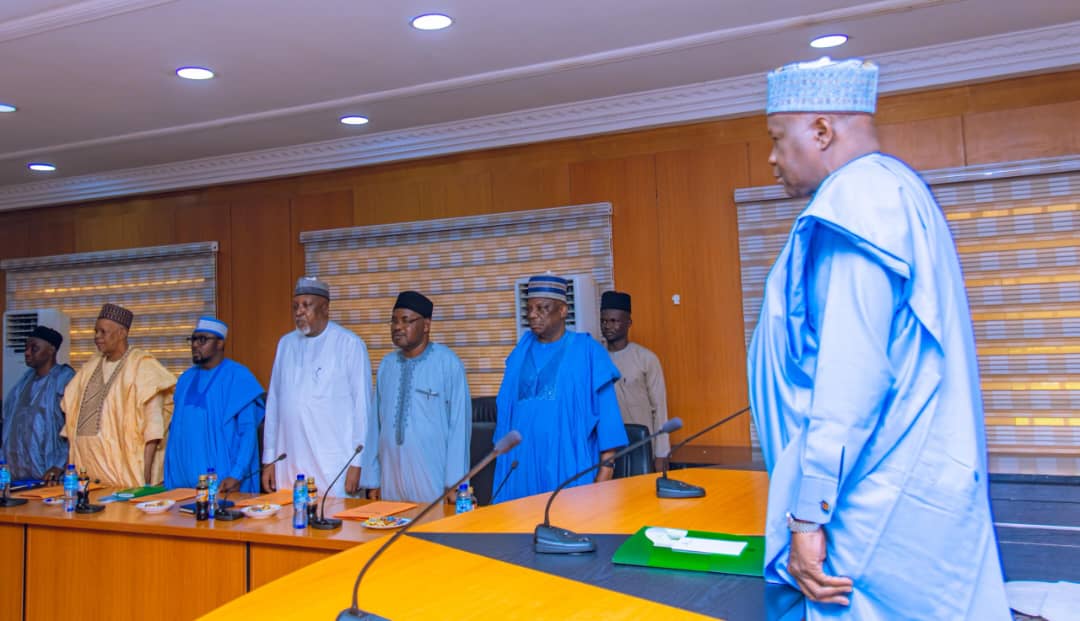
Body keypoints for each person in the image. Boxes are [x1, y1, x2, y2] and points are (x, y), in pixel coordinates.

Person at [747, 57, 1009, 619]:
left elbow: (852, 376)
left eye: (776, 138)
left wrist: (809, 515)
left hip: (866, 502)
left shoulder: (856, 205)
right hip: (909, 490)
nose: (771, 157)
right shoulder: (900, 189)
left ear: (821, 130)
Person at [491, 273, 627, 503]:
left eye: (542, 308)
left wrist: (604, 475)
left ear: (563, 310)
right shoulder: (519, 353)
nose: (532, 314)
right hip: (520, 469)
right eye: (529, 308)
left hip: (567, 466)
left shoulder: (588, 352)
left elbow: (608, 420)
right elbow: (506, 414)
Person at [261, 277, 373, 497]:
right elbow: (274, 404)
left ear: (325, 308)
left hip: (333, 465)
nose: (299, 312)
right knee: (289, 515)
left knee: (333, 517)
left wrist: (359, 463)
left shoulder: (349, 344)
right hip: (290, 461)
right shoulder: (285, 344)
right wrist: (269, 459)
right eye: (295, 306)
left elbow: (363, 409)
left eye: (306, 305)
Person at [361, 291, 471, 503]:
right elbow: (375, 426)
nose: (397, 327)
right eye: (394, 321)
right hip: (391, 477)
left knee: (431, 523)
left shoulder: (447, 364)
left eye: (406, 320)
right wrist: (372, 479)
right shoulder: (387, 366)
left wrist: (455, 483)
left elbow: (459, 428)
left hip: (432, 478)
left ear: (426, 325)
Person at [49, 304, 176, 488]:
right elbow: (71, 426)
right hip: (88, 475)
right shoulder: (88, 369)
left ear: (122, 333)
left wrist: (146, 480)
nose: (97, 337)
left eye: (103, 332)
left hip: (128, 476)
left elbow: (153, 432)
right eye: (95, 331)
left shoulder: (144, 367)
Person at [164, 317, 265, 493]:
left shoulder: (239, 377)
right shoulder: (185, 379)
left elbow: (248, 433)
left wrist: (237, 474)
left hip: (223, 487)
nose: (195, 344)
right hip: (181, 487)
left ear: (220, 343)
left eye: (202, 339)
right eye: (193, 339)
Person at [600, 290, 670, 471]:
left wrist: (662, 453)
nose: (608, 326)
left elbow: (659, 408)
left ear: (628, 323)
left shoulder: (646, 359)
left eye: (614, 321)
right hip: (606, 446)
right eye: (604, 321)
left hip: (640, 445)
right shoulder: (595, 359)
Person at [0, 326, 75, 480]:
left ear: (51, 350)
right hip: (17, 477)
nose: (27, 352)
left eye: (34, 348)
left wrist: (59, 465)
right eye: (26, 348)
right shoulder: (23, 383)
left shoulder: (65, 379)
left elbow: (75, 428)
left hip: (50, 477)